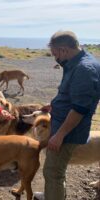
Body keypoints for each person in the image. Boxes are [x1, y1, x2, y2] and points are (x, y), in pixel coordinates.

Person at [34, 30, 100, 200]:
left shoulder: (84, 69)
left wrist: (59, 135)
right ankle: (52, 194)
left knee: (53, 171)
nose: (55, 58)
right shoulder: (78, 62)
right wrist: (54, 105)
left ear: (64, 50)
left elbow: (79, 109)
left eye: (55, 54)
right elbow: (73, 95)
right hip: (62, 124)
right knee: (56, 170)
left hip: (68, 131)